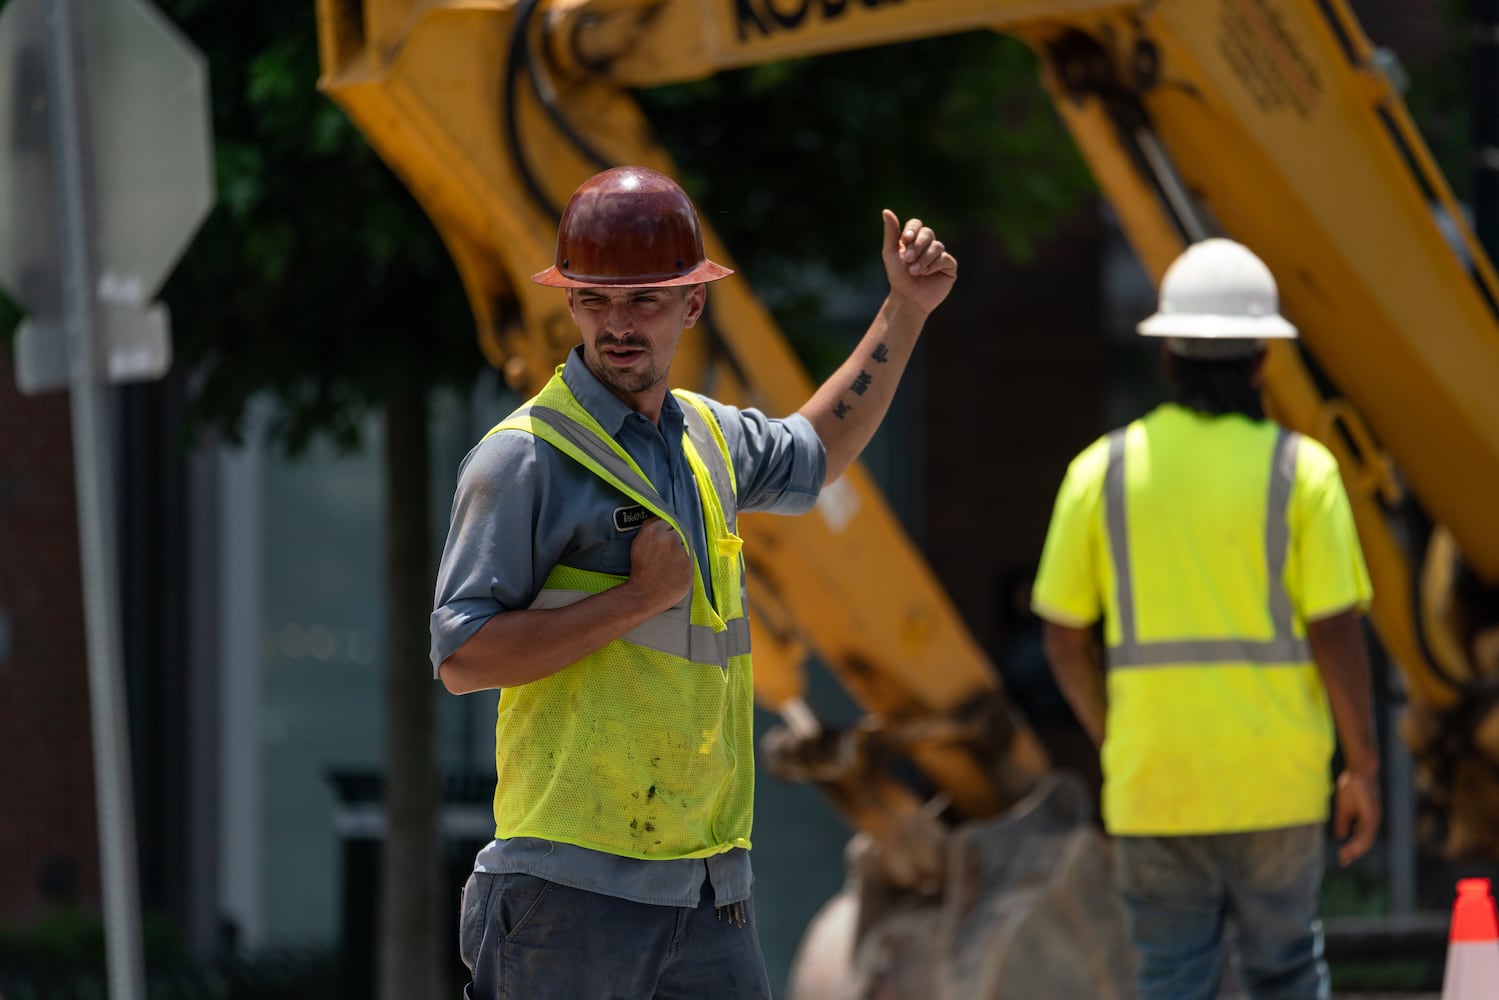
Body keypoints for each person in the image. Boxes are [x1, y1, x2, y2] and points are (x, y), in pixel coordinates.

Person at [430, 164, 956, 999]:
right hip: (570, 889)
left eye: (642, 300)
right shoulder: (522, 457)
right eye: (595, 301)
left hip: (708, 891)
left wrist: (905, 309)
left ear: (692, 304)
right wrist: (634, 599)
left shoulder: (707, 439)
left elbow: (818, 452)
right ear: (569, 304)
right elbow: (462, 657)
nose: (617, 325)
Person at [1029, 237, 1382, 1000]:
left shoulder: (1101, 472)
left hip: (1154, 780)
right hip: (1277, 781)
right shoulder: (1303, 472)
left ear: (1167, 359)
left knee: (1168, 980)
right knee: (1285, 971)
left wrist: (1110, 733)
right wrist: (1363, 765)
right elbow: (1334, 630)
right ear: (1261, 360)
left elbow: (1061, 635)